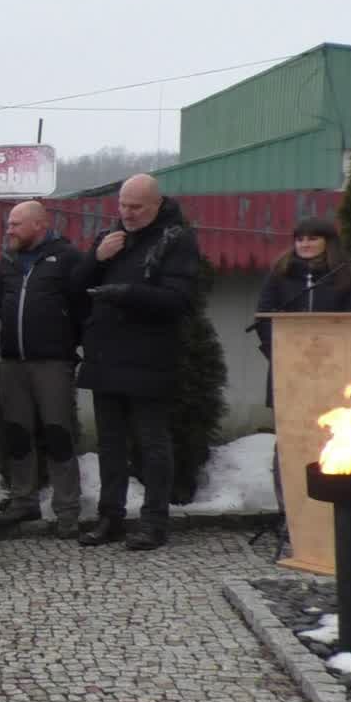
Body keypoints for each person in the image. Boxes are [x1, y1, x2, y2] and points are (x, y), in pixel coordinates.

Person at [71, 173, 202, 551]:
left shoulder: (176, 240)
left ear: (157, 205)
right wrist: (96, 259)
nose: (127, 213)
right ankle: (110, 517)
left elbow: (179, 300)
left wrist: (127, 293)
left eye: (136, 207)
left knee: (152, 444)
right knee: (110, 445)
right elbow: (76, 287)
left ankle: (154, 522)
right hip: (105, 355)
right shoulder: (110, 237)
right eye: (122, 205)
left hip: (149, 358)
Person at [255, 216, 351, 512]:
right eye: (299, 238)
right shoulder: (280, 275)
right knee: (289, 443)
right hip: (288, 372)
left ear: (328, 243)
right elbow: (263, 318)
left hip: (334, 372)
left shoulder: (349, 276)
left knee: (329, 439)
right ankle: (290, 515)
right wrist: (280, 355)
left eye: (312, 238)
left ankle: (330, 514)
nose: (304, 244)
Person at [0, 201, 86, 538]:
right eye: (9, 224)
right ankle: (23, 500)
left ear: (38, 225)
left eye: (16, 224)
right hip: (13, 362)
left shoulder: (67, 257)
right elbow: (0, 305)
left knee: (58, 433)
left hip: (52, 362)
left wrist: (62, 341)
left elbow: (81, 307)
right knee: (18, 433)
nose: (10, 230)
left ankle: (67, 510)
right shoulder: (8, 261)